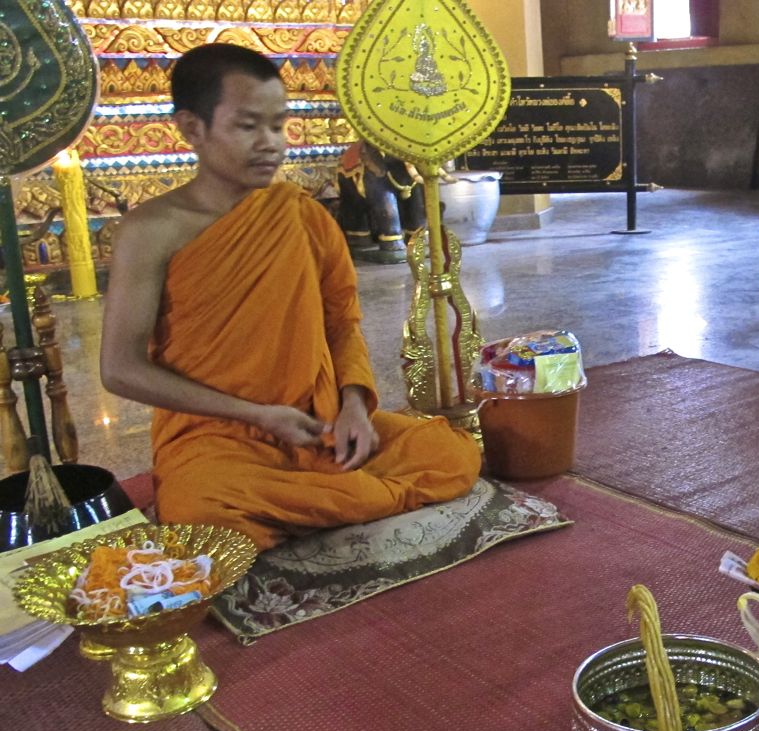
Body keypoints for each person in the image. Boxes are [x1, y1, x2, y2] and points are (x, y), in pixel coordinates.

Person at [100, 44, 481, 550]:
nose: (270, 143)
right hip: (215, 438)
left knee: (449, 452)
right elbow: (121, 369)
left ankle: (320, 503)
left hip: (314, 425)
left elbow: (341, 322)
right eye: (247, 126)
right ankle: (345, 500)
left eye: (278, 125)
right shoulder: (150, 231)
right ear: (192, 128)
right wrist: (256, 414)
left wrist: (353, 407)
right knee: (201, 512)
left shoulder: (301, 216)